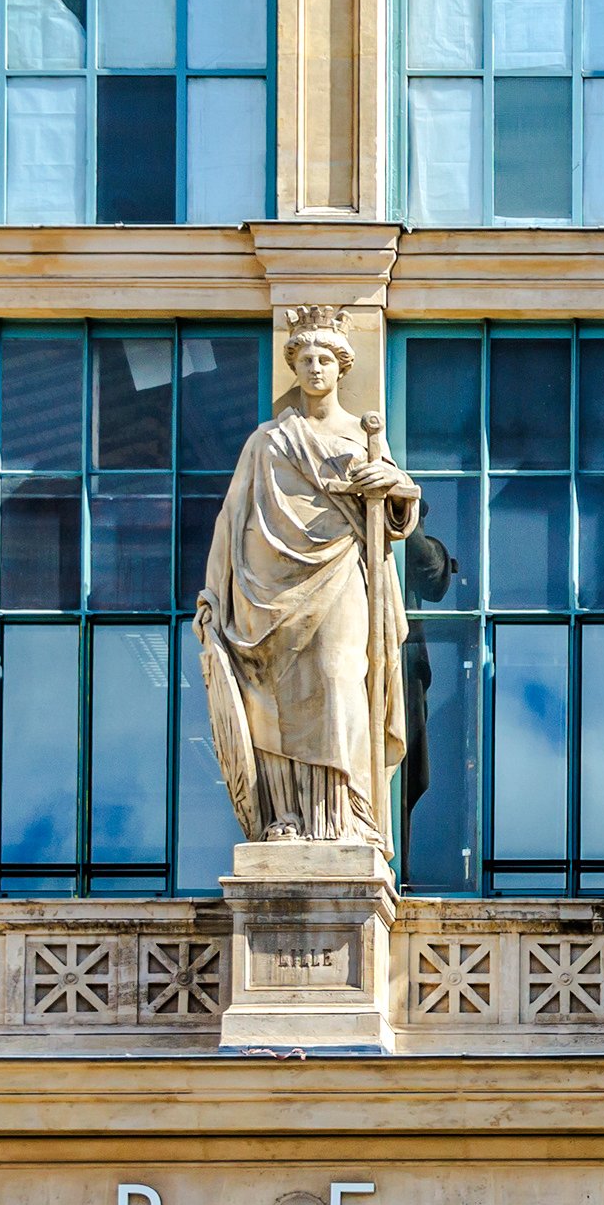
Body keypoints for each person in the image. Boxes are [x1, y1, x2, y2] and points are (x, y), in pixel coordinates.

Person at [196, 306, 420, 851]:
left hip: (342, 571)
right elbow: (233, 518)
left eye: (324, 358)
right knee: (274, 697)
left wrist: (396, 486)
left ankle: (347, 817)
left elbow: (395, 517)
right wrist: (213, 594)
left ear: (341, 368)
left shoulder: (361, 439)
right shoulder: (268, 441)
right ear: (293, 368)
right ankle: (289, 814)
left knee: (340, 676)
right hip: (269, 585)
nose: (314, 368)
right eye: (304, 359)